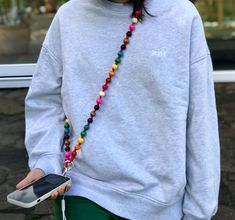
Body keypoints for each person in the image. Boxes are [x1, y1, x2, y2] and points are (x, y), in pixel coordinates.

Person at [16, 0, 221, 219]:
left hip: (158, 203)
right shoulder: (68, 16)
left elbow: (201, 119)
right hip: (83, 191)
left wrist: (199, 211)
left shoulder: (181, 15)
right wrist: (46, 160)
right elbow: (46, 100)